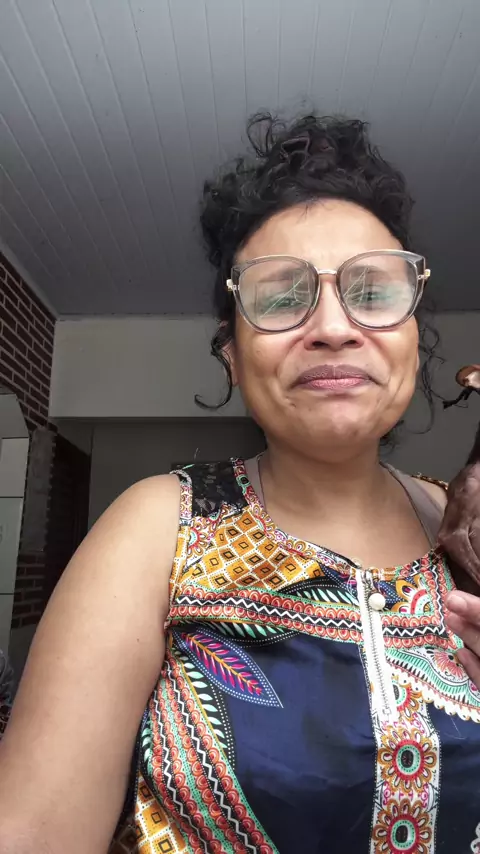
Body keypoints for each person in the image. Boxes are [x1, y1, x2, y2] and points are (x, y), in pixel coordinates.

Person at [1, 113, 480, 854]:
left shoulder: (466, 529)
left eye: (372, 290)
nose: (333, 327)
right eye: (282, 297)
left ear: (414, 336)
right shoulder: (160, 526)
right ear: (231, 351)